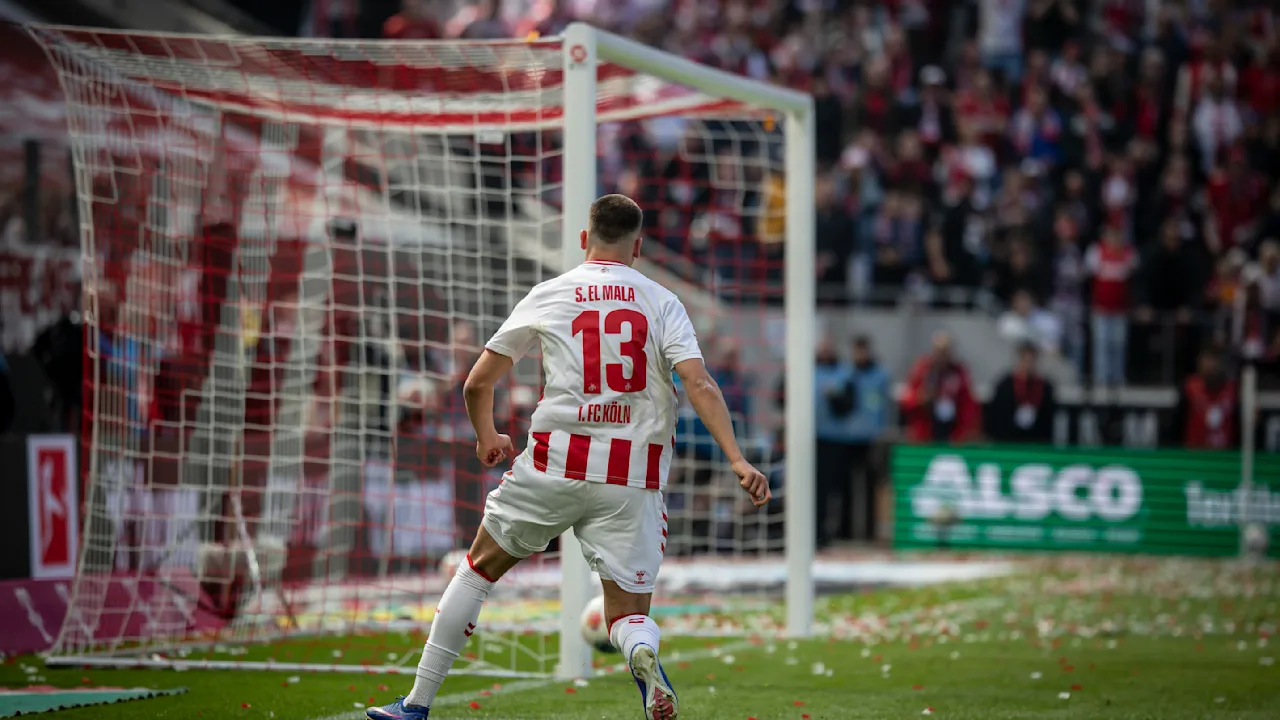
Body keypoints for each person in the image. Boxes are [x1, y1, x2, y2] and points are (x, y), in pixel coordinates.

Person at [368, 195, 769, 720]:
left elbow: (476, 383)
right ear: (639, 246)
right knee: (626, 615)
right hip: (632, 476)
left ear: (584, 239)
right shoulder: (661, 300)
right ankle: (640, 651)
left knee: (476, 572)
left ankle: (417, 705)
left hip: (555, 464)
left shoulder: (549, 294)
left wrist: (488, 436)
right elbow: (699, 382)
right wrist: (736, 459)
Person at [900, 331, 981, 443]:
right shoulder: (922, 370)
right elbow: (907, 398)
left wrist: (966, 429)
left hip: (952, 427)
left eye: (946, 351)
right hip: (927, 427)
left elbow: (967, 402)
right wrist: (921, 398)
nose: (942, 355)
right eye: (939, 351)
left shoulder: (959, 372)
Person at [985, 341, 1057, 443]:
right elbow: (997, 416)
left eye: (1032, 361)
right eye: (1025, 360)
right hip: (1009, 441)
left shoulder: (1045, 387)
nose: (1028, 365)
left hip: (1035, 441)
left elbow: (1047, 420)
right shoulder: (1006, 385)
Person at [1170, 346, 1239, 449]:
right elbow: (1177, 423)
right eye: (1207, 360)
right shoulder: (1189, 387)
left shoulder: (1233, 390)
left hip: (1226, 456)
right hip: (1194, 454)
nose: (1211, 366)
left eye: (1215, 360)